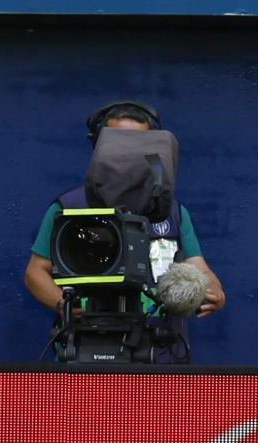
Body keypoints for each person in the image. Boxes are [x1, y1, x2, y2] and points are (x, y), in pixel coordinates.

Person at [24, 99, 225, 360]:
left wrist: (214, 292)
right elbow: (35, 272)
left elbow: (199, 266)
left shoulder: (173, 212)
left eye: (138, 143)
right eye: (118, 141)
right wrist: (67, 307)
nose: (128, 152)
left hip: (159, 351)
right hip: (88, 346)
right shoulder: (69, 207)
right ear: (98, 145)